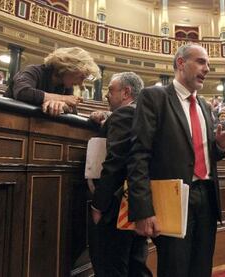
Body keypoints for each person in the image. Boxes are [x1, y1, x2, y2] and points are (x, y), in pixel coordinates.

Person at [127, 44, 225, 277]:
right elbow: (139, 155)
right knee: (174, 270)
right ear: (180, 63)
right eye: (200, 62)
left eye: (208, 64)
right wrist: (143, 210)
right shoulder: (154, 97)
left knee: (201, 268)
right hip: (172, 200)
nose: (207, 69)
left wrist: (219, 145)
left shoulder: (203, 105)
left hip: (207, 199)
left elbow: (202, 153)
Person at [88, 72, 152, 277]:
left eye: (110, 90)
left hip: (116, 206)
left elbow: (115, 163)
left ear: (126, 93)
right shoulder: (145, 115)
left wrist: (99, 204)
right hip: (138, 204)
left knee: (110, 266)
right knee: (135, 265)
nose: (106, 95)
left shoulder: (124, 115)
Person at [4, 47, 100, 116]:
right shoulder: (33, 70)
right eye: (81, 77)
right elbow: (22, 92)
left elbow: (72, 110)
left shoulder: (66, 85)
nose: (81, 83)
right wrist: (62, 98)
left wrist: (62, 105)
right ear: (70, 68)